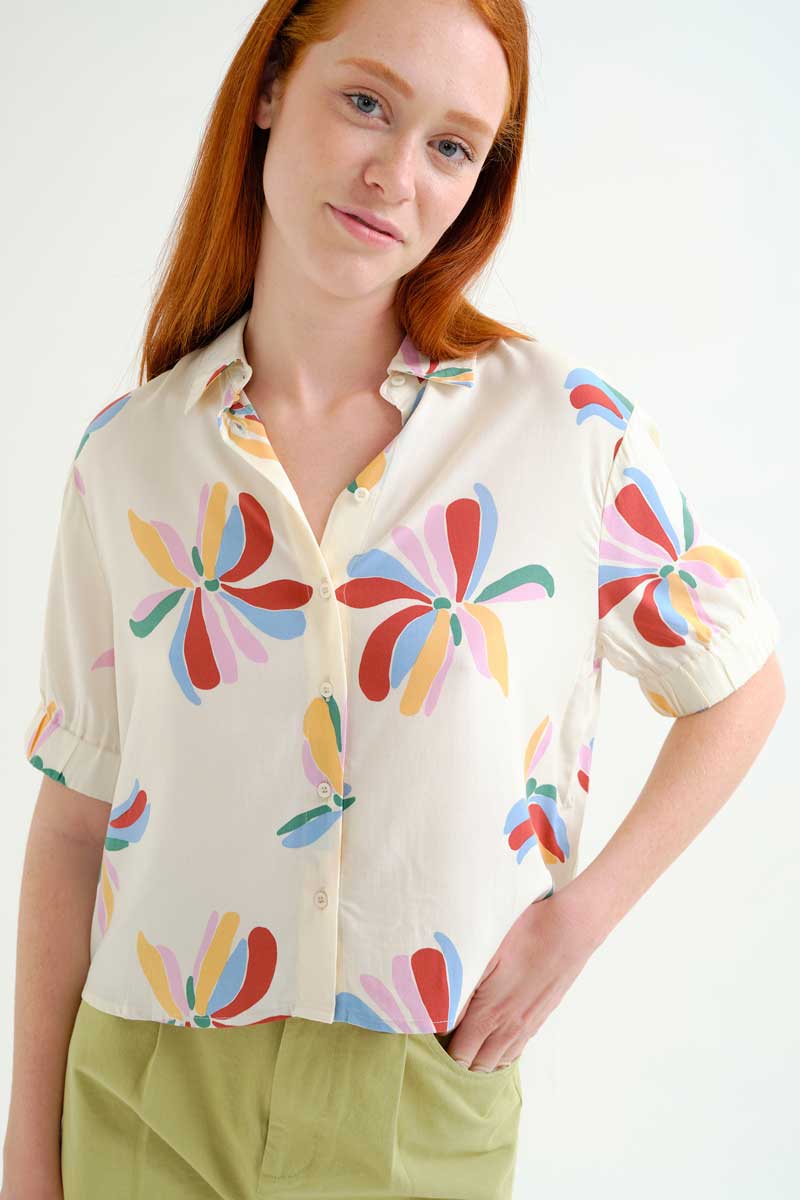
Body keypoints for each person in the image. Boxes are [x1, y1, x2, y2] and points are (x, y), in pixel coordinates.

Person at [3, 0, 785, 1197]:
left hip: (417, 1096)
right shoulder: (128, 456)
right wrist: (28, 1154)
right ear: (271, 89)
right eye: (366, 102)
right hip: (141, 1085)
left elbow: (734, 684)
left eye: (450, 145)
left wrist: (575, 924)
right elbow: (73, 822)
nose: (396, 175)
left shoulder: (561, 430)